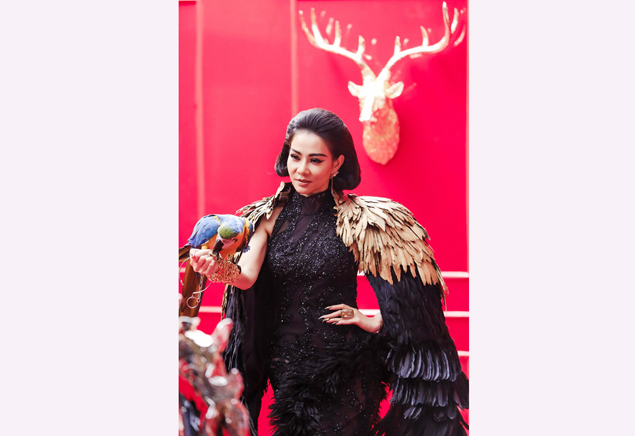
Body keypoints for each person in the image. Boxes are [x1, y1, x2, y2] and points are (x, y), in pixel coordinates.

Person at [189, 108, 469, 436]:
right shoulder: (267, 216)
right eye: (295, 157)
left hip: (345, 365)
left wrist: (376, 319)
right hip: (287, 366)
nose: (301, 170)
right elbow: (246, 276)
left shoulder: (362, 219)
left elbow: (416, 298)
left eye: (316, 160)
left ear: (337, 163)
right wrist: (217, 268)